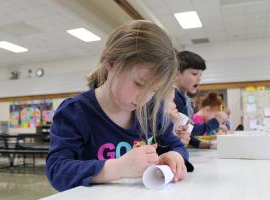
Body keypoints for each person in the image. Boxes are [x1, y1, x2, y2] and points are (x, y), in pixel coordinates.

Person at [46, 20, 194, 192]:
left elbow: (176, 145)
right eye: (139, 84)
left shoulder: (151, 109)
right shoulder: (75, 112)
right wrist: (118, 167)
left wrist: (174, 156)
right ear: (112, 63)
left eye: (153, 89)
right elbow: (57, 170)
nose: (145, 97)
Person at [174, 51, 229, 149]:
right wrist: (215, 121)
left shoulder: (186, 99)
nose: (199, 79)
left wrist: (197, 143)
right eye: (194, 74)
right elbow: (184, 130)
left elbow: (187, 131)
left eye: (201, 74)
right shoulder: (175, 97)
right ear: (177, 74)